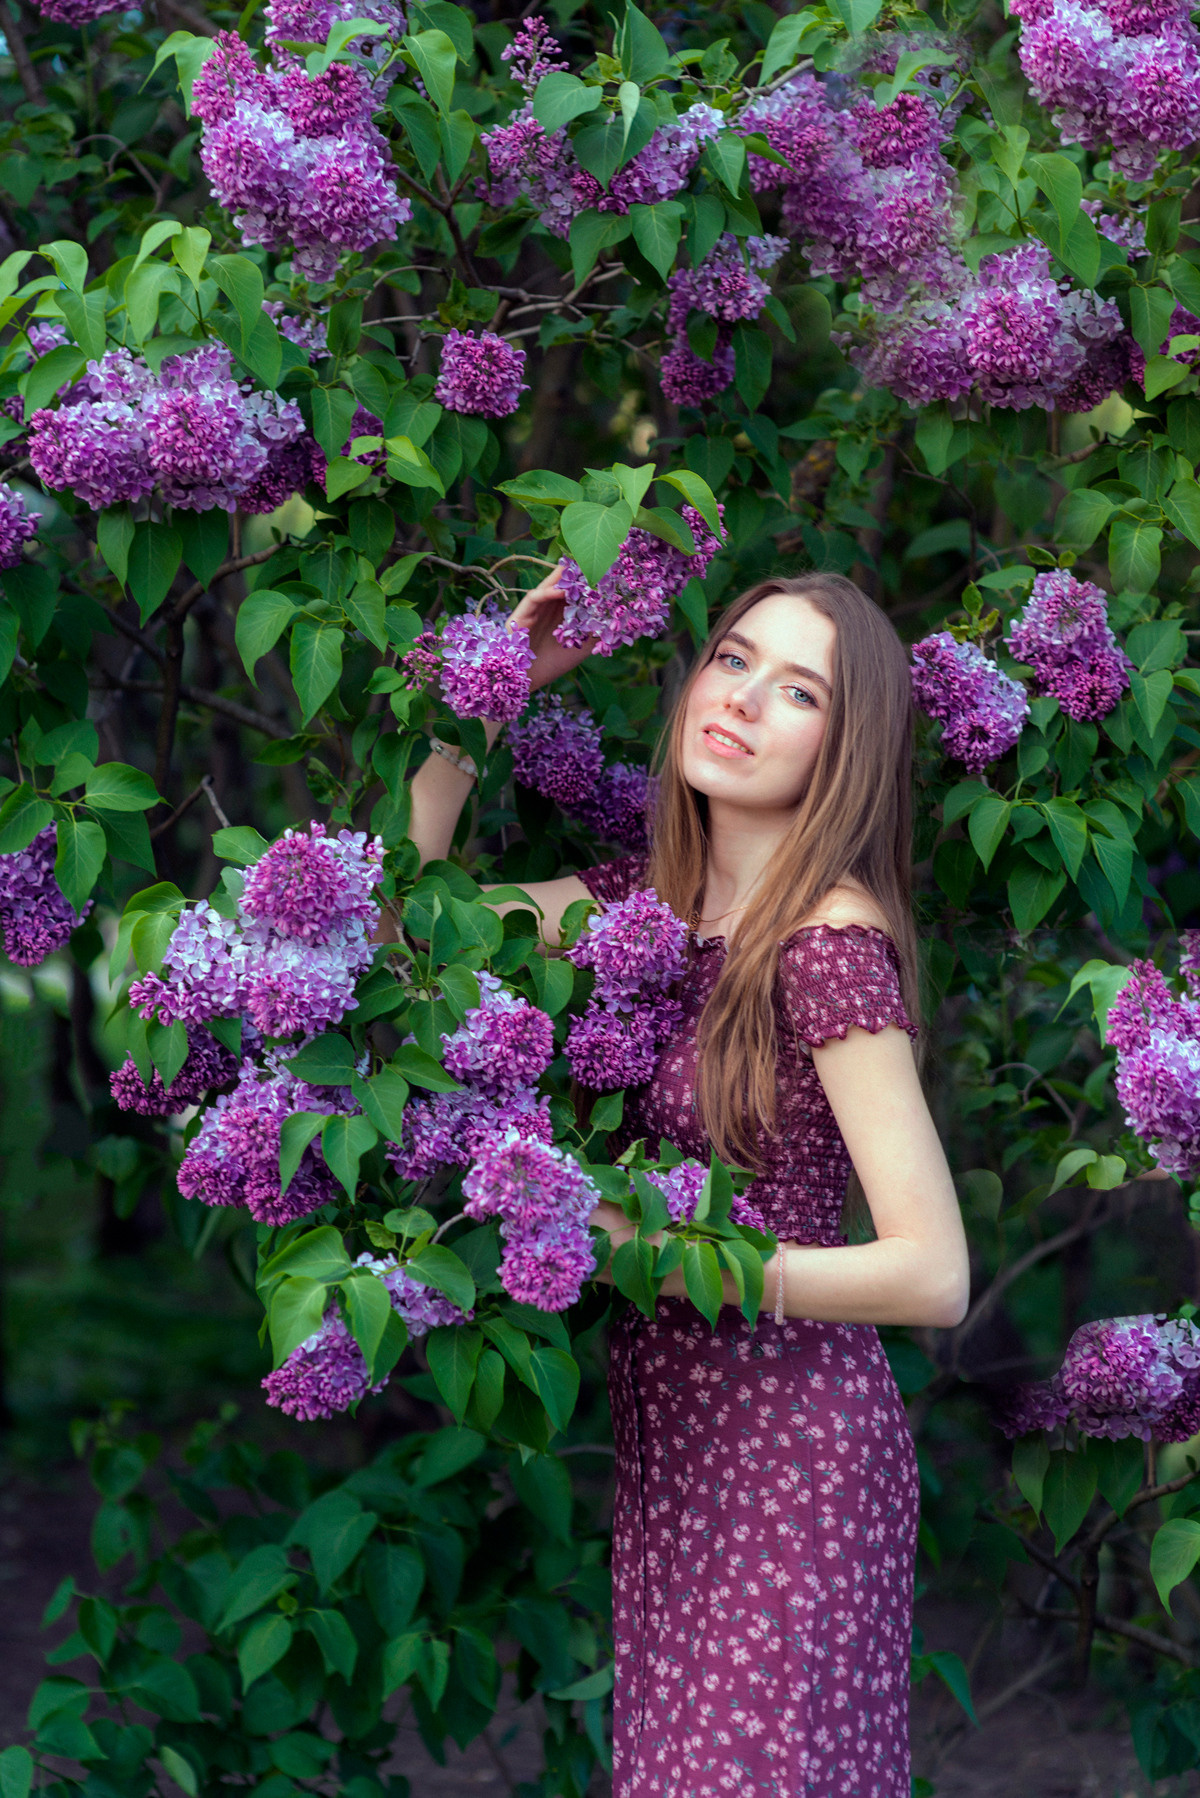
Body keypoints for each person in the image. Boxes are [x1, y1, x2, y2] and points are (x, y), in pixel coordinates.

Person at [401, 565, 969, 1798]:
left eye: (801, 691)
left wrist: (651, 1257)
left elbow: (932, 1272)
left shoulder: (826, 941)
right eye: (734, 660)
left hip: (794, 1459)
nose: (746, 699)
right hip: (680, 1450)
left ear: (848, 749)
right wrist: (486, 698)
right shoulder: (645, 910)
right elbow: (407, 936)